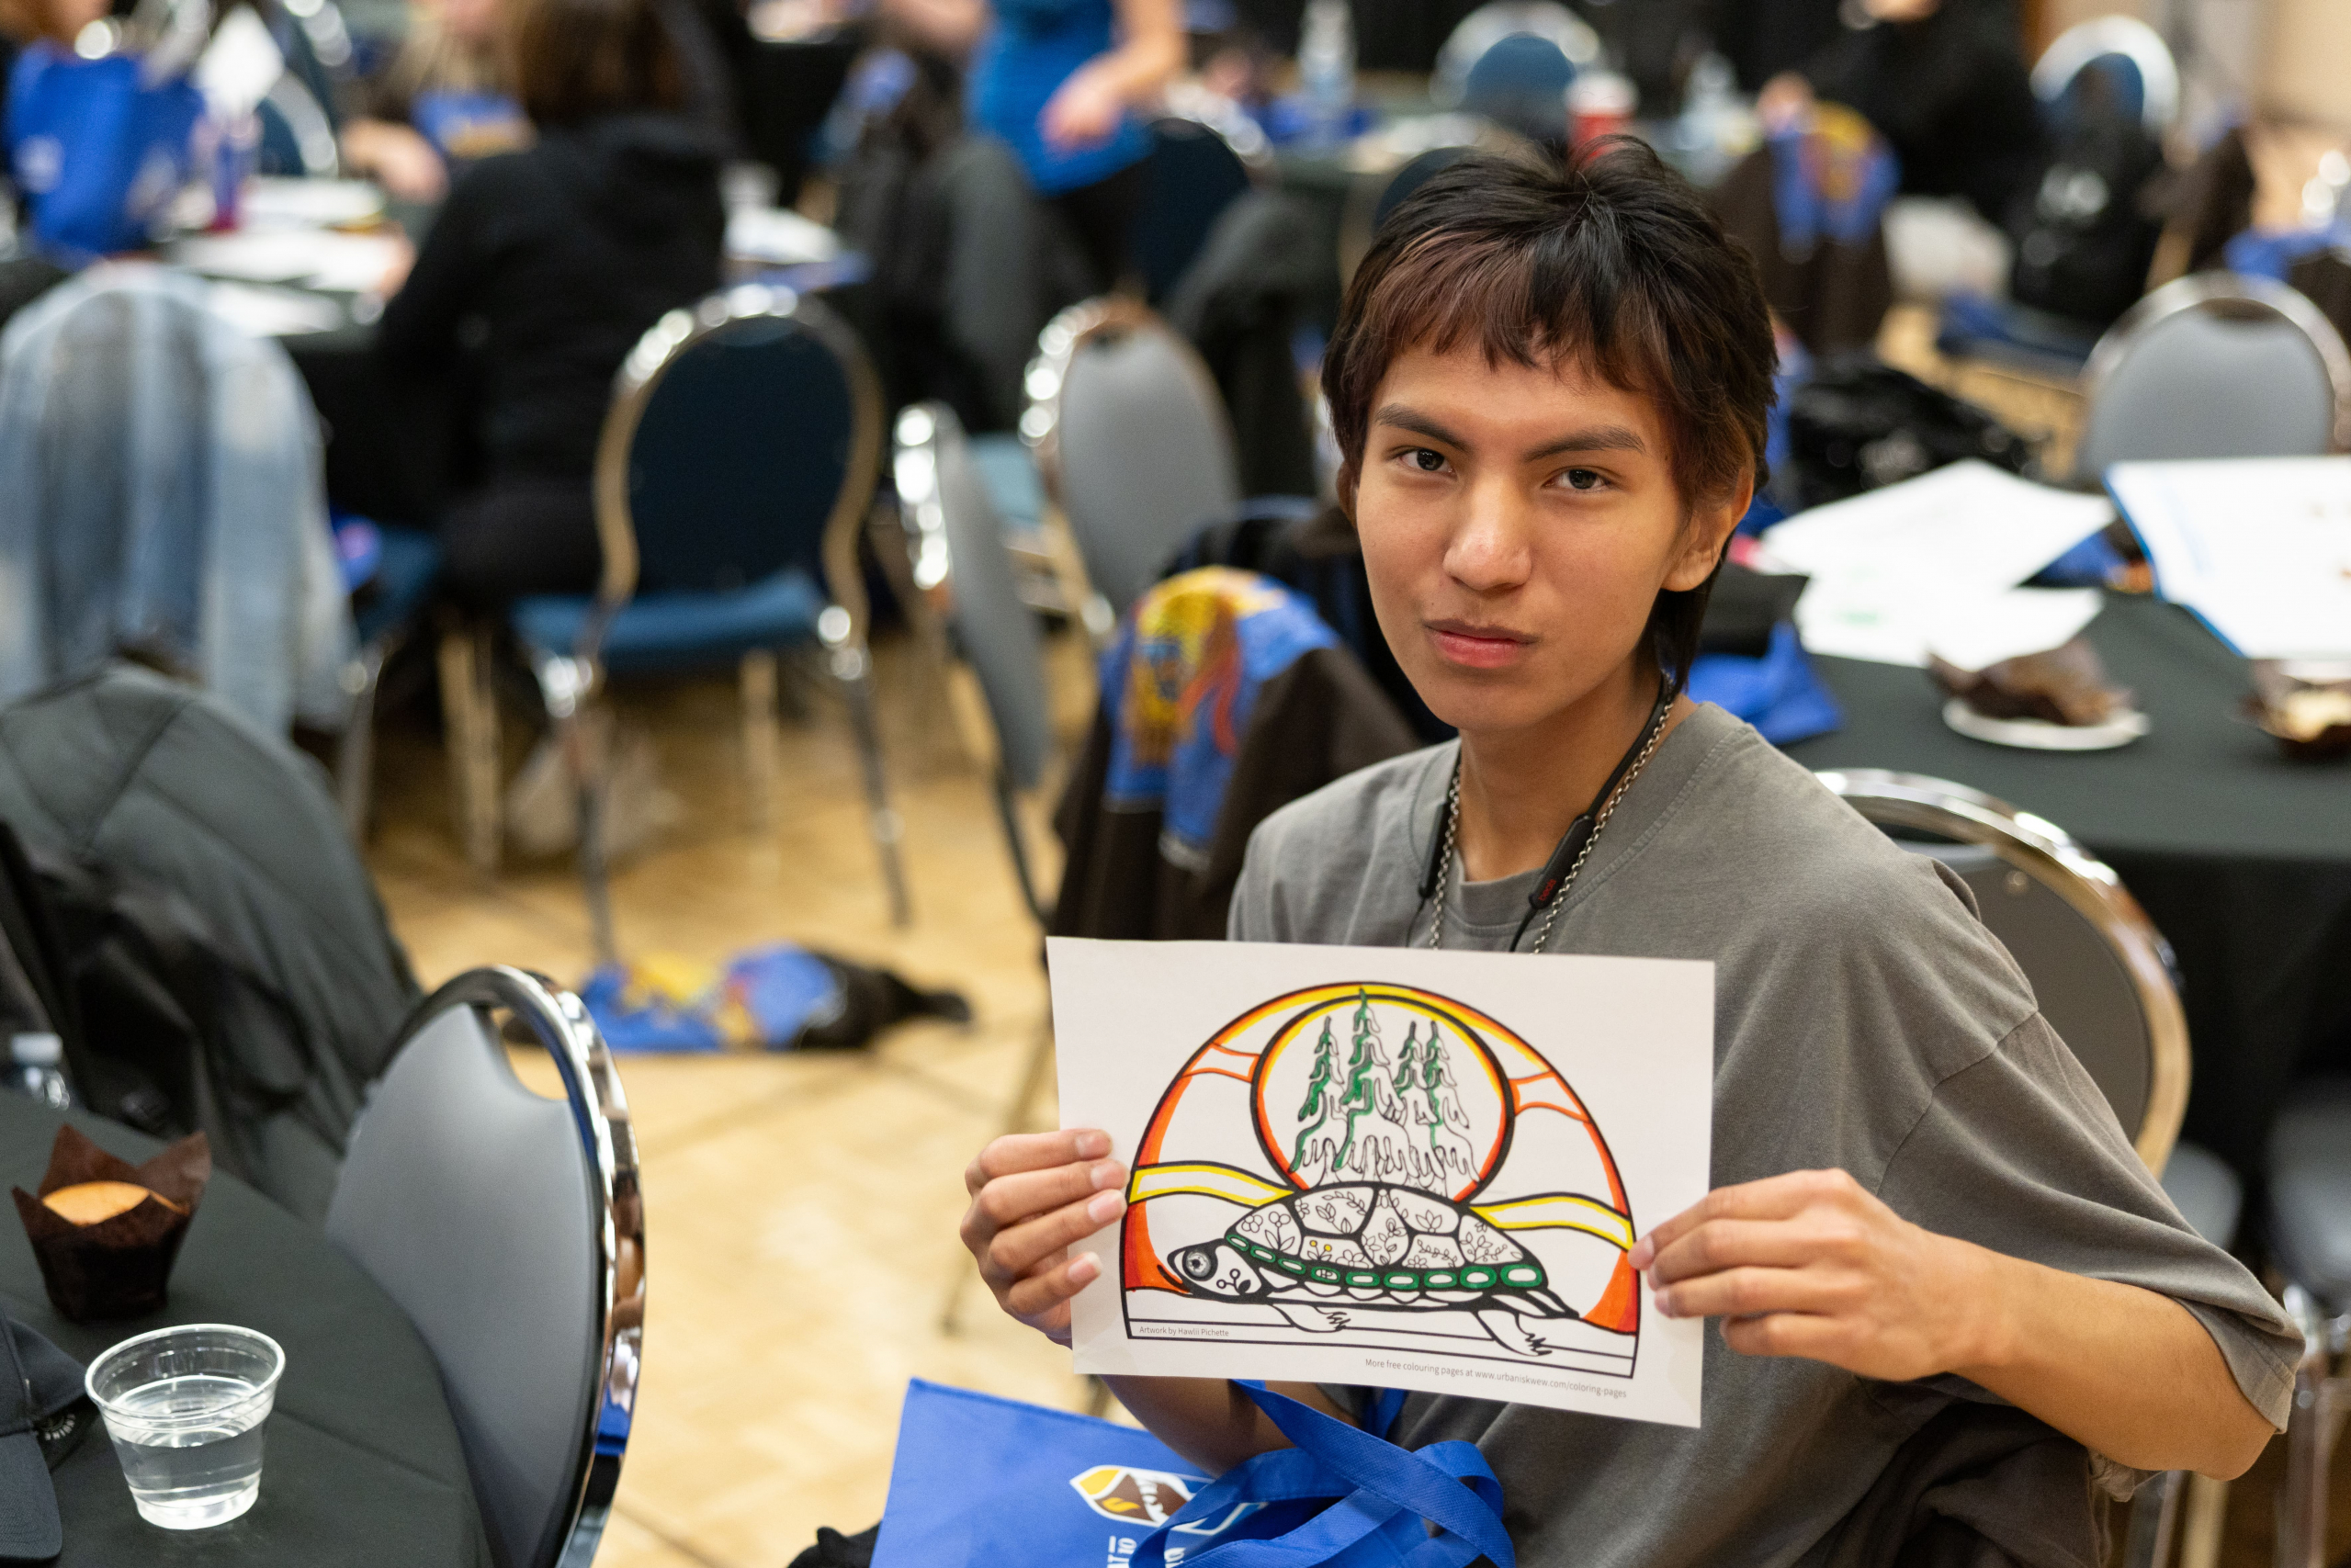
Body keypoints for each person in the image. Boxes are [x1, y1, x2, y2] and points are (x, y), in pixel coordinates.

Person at [958, 141, 2296, 1565]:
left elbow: (2229, 1395)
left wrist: (1957, 1298)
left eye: (1578, 476)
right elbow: (1313, 1443)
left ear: (1706, 517)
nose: (1479, 549)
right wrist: (1109, 1305)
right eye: (1423, 457)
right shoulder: (1310, 860)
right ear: (1347, 476)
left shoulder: (1836, 924)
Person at [375, 0, 723, 605]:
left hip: (537, 523)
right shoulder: (699, 185)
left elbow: (403, 342)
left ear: (534, 57)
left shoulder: (504, 186)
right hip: (682, 512)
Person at [886, 0, 1181, 294]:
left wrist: (1102, 85)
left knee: (1071, 305)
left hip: (1079, 163)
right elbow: (974, 26)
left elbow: (1162, 48)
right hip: (996, 156)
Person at [1757, 0, 2044, 226]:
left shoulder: (1983, 42)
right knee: (1787, 204)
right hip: (1914, 208)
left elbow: (1909, 123)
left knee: (1844, 230)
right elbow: (1836, 78)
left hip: (1975, 222)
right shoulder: (1892, 36)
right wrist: (1798, 89)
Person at [339, 0, 526, 202]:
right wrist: (392, 145)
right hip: (438, 209)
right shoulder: (423, 55)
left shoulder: (541, 58)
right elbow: (351, 134)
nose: (455, 7)